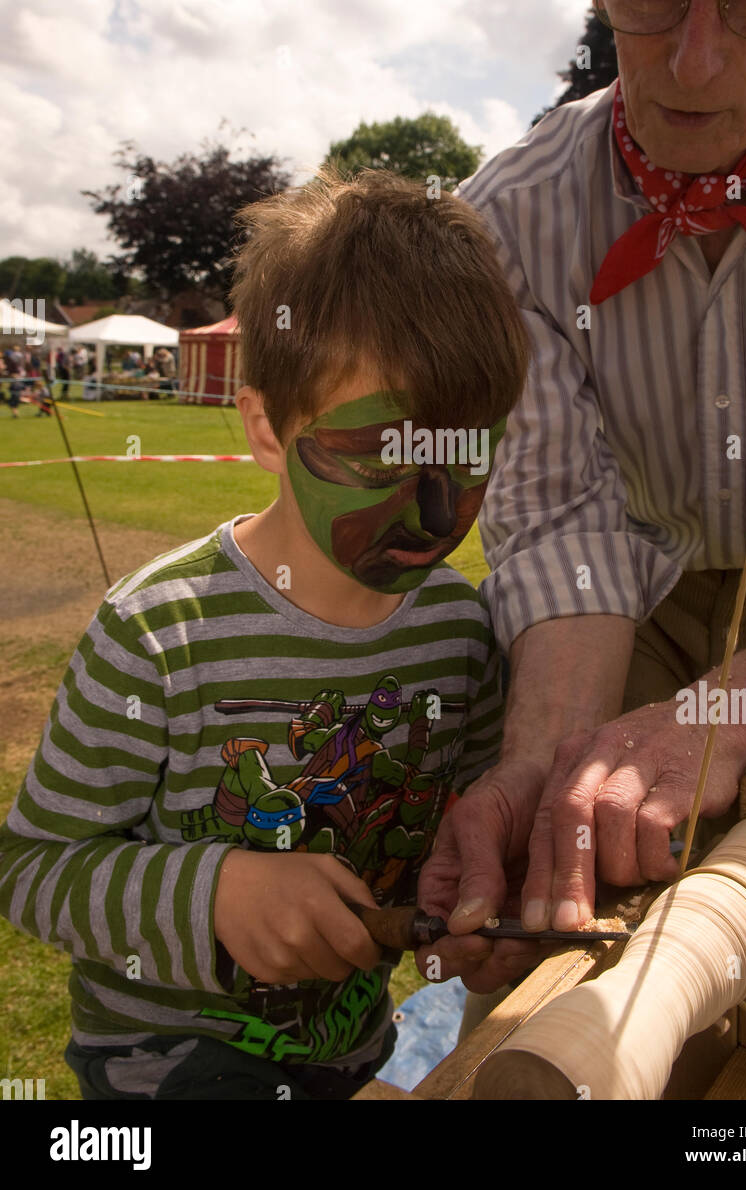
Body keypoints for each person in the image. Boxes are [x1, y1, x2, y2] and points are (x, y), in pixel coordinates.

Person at [417, 0, 746, 997]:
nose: (697, 59)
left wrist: (738, 708)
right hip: (646, 612)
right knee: (560, 896)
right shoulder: (509, 224)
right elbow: (568, 530)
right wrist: (534, 769)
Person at [0, 166, 530, 1100]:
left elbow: (460, 830)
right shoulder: (158, 635)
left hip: (351, 1054)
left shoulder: (461, 632)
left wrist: (464, 920)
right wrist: (211, 895)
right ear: (265, 431)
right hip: (160, 1072)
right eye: (379, 456)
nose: (436, 508)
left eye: (466, 454)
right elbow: (33, 870)